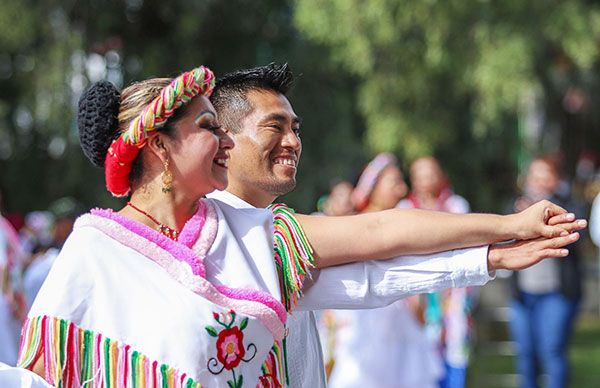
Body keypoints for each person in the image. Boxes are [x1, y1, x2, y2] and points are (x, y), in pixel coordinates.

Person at [12, 64, 583, 388]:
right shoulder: (94, 253)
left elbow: (378, 240)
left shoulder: (250, 232)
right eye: (210, 127)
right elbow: (43, 379)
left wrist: (502, 236)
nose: (226, 142)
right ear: (160, 146)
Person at [208, 63, 587, 387]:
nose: (292, 141)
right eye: (275, 127)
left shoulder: (273, 234)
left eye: (296, 128)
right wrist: (510, 225)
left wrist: (490, 259)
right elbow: (381, 233)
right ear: (224, 141)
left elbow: (372, 280)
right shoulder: (218, 230)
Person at [328, 153, 443, 388]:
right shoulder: (352, 227)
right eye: (394, 183)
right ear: (373, 187)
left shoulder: (404, 222)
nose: (402, 190)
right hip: (364, 330)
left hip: (401, 328)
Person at [508, 156, 585, 388]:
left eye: (545, 174)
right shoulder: (516, 206)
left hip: (556, 294)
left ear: (555, 178)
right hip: (523, 294)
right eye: (535, 174)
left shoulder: (569, 204)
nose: (539, 180)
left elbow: (577, 234)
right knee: (526, 356)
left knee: (551, 351)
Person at [398, 156, 475, 388]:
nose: (425, 180)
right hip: (418, 294)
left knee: (454, 354)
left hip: (453, 294)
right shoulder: (404, 210)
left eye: (430, 173)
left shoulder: (456, 206)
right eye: (419, 175)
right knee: (421, 361)